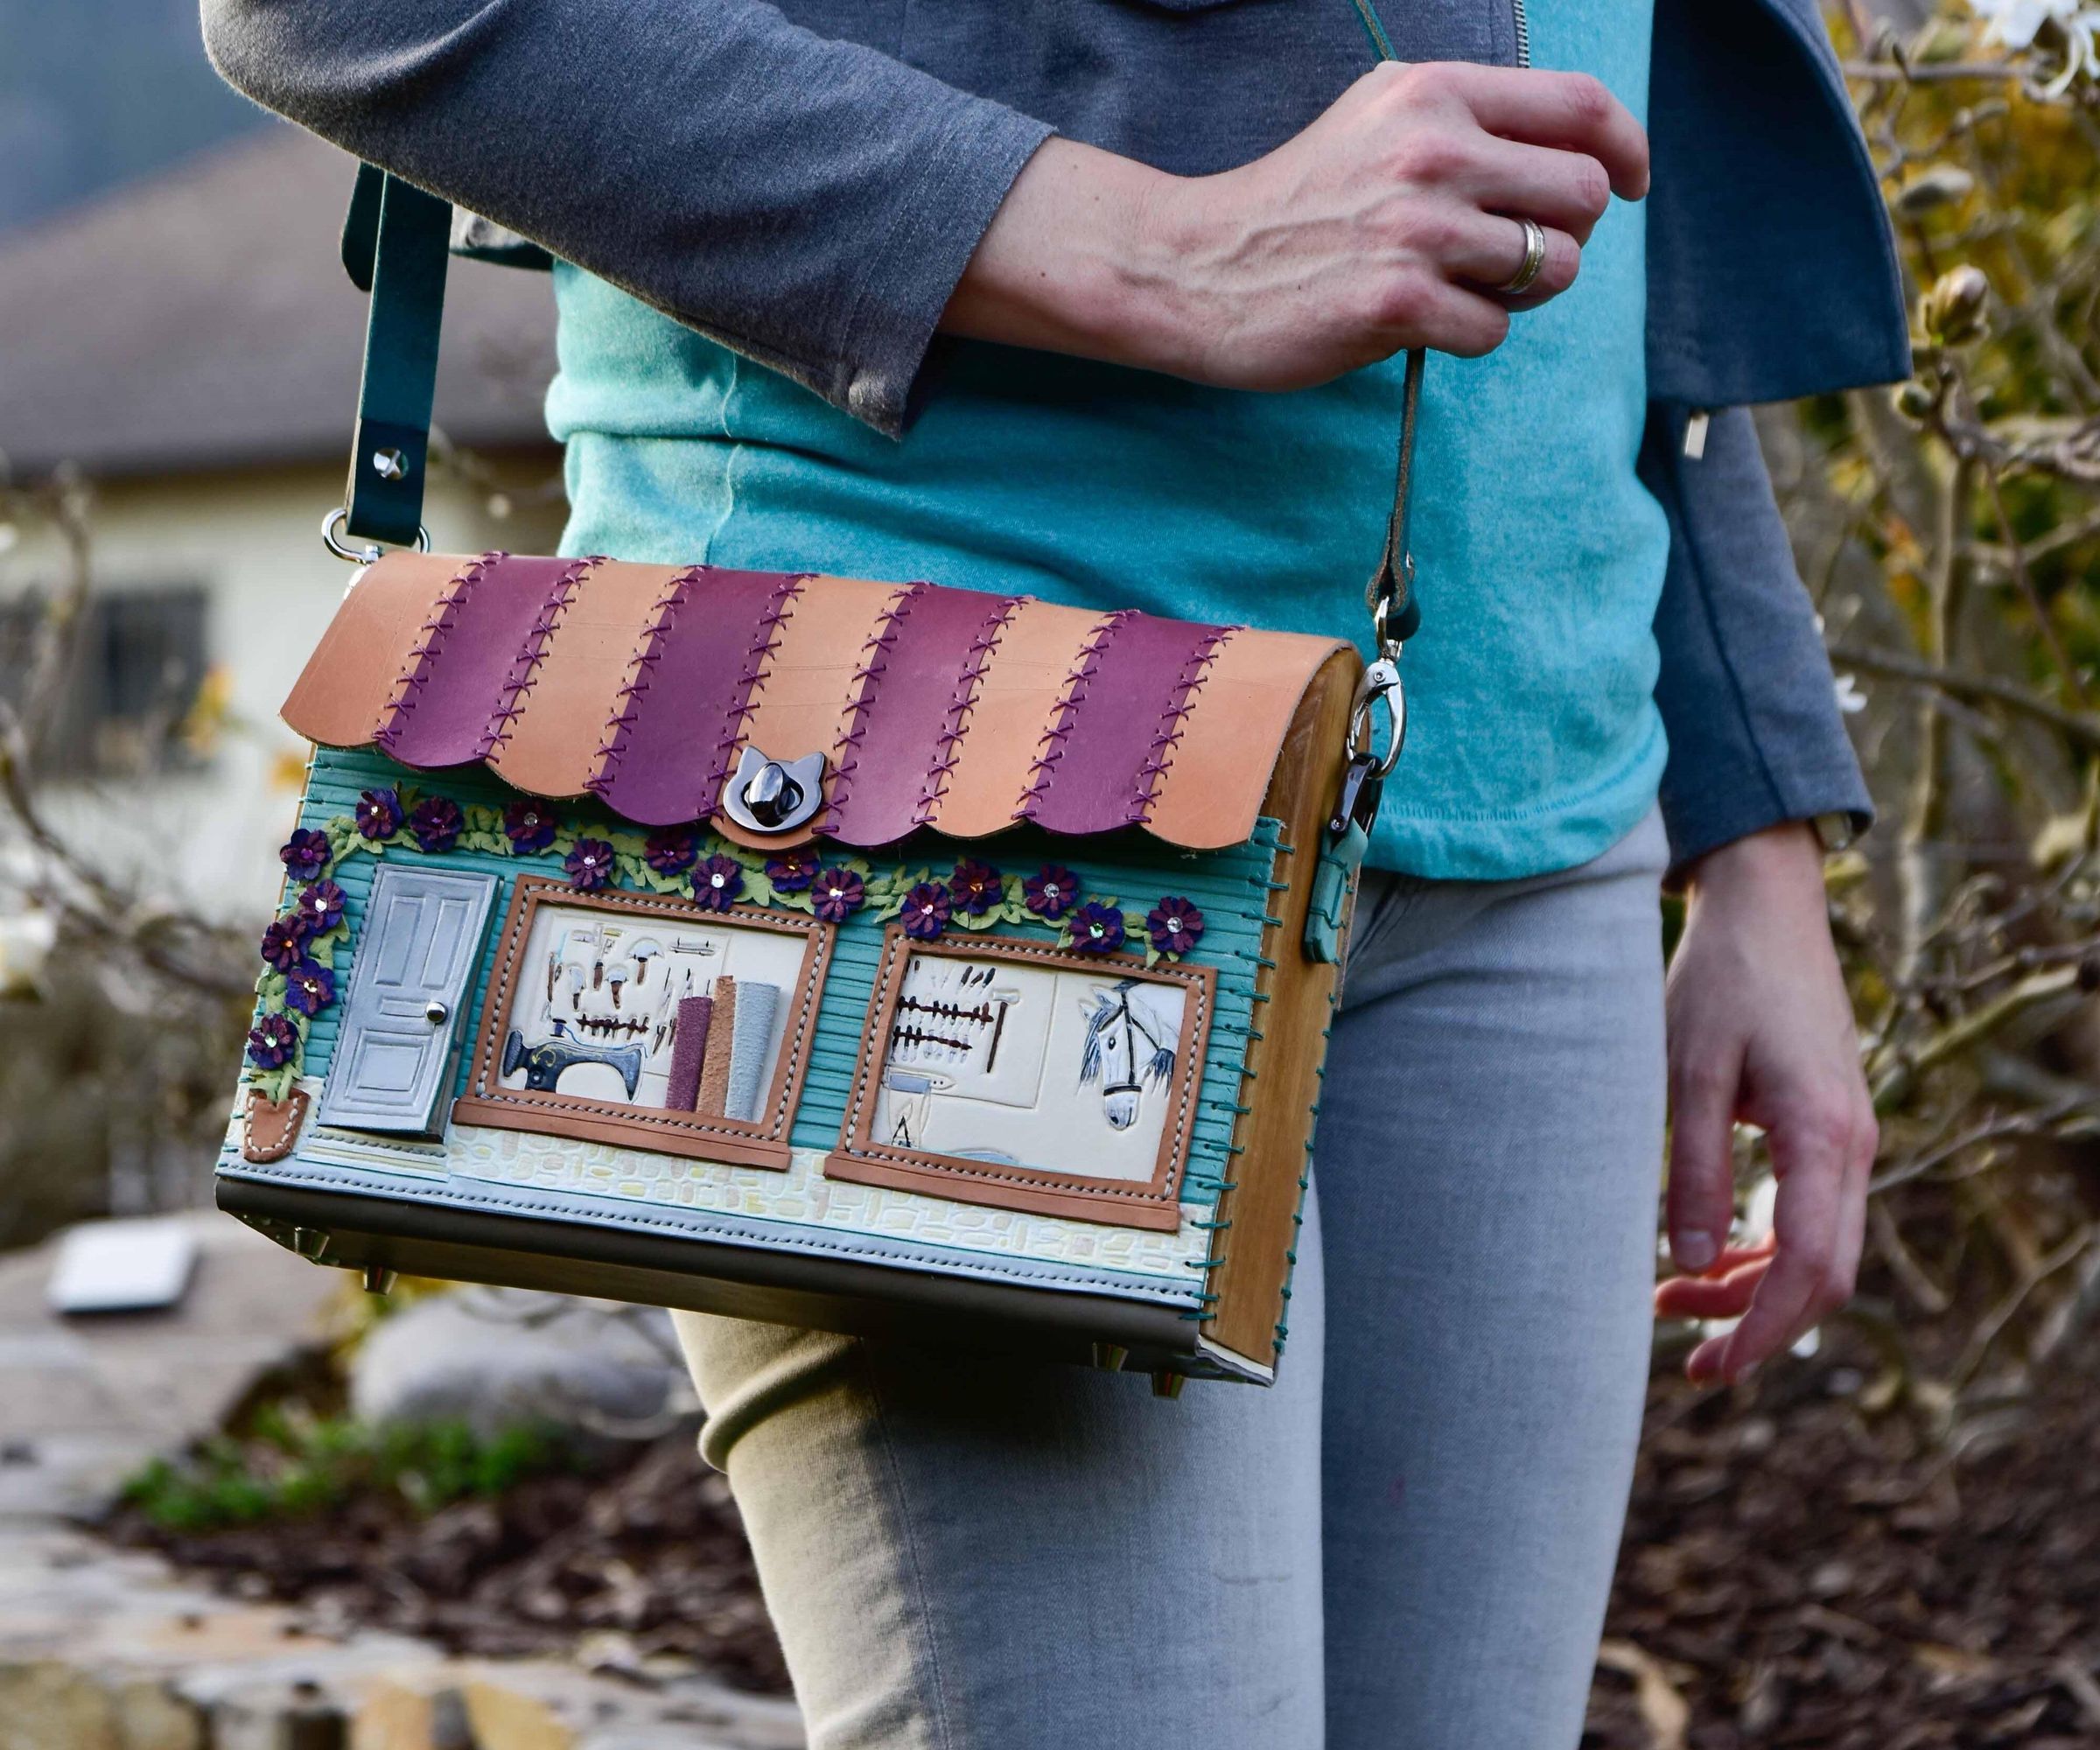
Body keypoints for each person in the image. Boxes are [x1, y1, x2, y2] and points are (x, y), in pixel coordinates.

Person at [202, 2, 1906, 1743]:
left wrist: (1752, 820)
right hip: (946, 782)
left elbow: (1600, 142)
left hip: (1537, 818)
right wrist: (1157, 251)